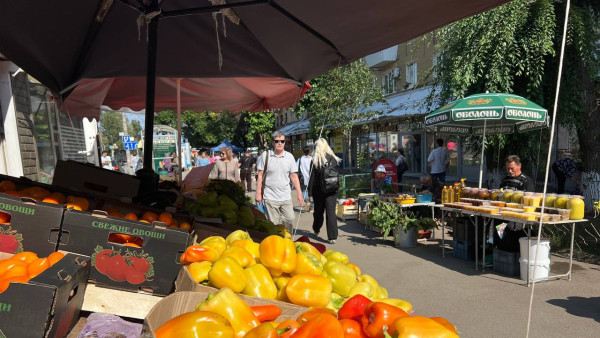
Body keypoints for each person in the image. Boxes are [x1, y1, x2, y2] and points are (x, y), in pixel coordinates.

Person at [255, 131, 304, 233]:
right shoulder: (266, 155)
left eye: (282, 141)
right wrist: (258, 193)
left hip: (285, 196)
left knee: (290, 219)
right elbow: (260, 175)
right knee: (274, 224)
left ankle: (288, 240)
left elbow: (294, 176)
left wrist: (299, 193)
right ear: (273, 142)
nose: (280, 143)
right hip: (270, 196)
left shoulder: (289, 157)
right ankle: (277, 244)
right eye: (277, 141)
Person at [307, 138, 340, 244]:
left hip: (318, 190)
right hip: (332, 189)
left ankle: (316, 228)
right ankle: (332, 236)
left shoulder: (315, 160)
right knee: (331, 213)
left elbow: (311, 178)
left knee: (318, 212)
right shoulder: (333, 159)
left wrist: (310, 193)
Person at [297, 147, 314, 212]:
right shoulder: (312, 159)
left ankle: (307, 202)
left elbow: (296, 168)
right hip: (311, 178)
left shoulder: (300, 159)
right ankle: (311, 207)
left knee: (303, 191)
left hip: (303, 178)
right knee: (312, 193)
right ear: (309, 151)